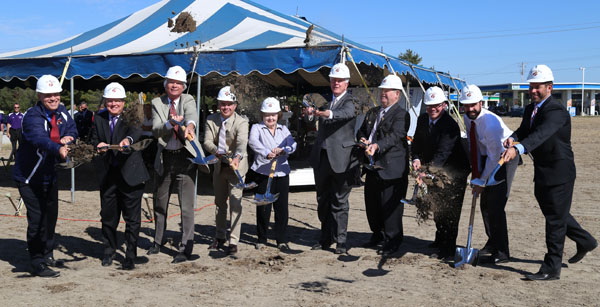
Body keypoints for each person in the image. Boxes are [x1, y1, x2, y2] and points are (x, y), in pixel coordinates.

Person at [502, 65, 597, 280]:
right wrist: (513, 138)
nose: (533, 91)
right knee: (555, 213)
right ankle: (585, 241)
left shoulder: (556, 111)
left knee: (554, 219)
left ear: (550, 87)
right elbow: (525, 131)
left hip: (560, 172)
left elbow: (542, 134)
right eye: (531, 87)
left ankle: (551, 267)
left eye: (538, 87)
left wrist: (518, 148)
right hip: (543, 170)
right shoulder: (530, 109)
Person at [13, 75, 77, 277]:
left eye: (56, 94)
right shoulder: (31, 117)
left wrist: (70, 137)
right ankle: (36, 260)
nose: (53, 98)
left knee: (50, 218)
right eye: (48, 95)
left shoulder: (62, 112)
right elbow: (39, 139)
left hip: (50, 175)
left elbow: (72, 128)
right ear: (40, 96)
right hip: (29, 177)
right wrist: (58, 147)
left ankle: (48, 253)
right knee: (37, 219)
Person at [147, 65, 209, 263]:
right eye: (171, 82)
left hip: (185, 157)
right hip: (165, 157)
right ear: (166, 84)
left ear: (183, 86)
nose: (174, 85)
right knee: (160, 202)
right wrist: (170, 124)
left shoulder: (188, 99)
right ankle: (158, 241)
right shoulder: (157, 102)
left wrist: (188, 126)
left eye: (178, 83)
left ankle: (186, 246)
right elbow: (156, 129)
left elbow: (192, 117)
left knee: (187, 206)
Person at [90, 82, 150, 270]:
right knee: (108, 217)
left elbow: (136, 132)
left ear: (123, 102)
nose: (113, 104)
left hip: (130, 174)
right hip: (108, 175)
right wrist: (97, 145)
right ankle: (109, 250)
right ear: (105, 101)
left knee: (132, 219)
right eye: (110, 100)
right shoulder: (98, 118)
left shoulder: (132, 116)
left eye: (117, 100)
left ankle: (131, 255)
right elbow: (92, 139)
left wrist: (128, 140)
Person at [460, 84, 518, 264]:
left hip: (504, 158)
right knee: (485, 204)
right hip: (487, 156)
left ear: (481, 103)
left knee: (495, 205)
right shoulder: (467, 117)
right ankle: (493, 242)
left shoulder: (491, 125)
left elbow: (495, 159)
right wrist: (476, 173)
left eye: (473, 105)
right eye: (466, 105)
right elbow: (474, 145)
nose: (470, 109)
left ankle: (502, 252)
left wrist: (482, 181)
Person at [306, 63, 360, 254]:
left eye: (339, 80)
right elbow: (314, 120)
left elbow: (345, 114)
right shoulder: (326, 104)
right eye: (333, 80)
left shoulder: (350, 103)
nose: (336, 83)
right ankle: (325, 238)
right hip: (322, 159)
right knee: (323, 200)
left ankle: (341, 241)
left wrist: (326, 113)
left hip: (342, 160)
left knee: (340, 201)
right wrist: (311, 115)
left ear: (346, 83)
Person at [411, 86, 470, 260]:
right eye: (429, 106)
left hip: (454, 172)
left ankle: (448, 249)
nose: (433, 109)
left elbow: (443, 154)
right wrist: (416, 158)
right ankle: (439, 239)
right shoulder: (422, 119)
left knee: (450, 210)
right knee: (437, 206)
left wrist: (426, 173)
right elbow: (417, 143)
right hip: (434, 170)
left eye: (437, 105)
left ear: (444, 105)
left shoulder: (450, 125)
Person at [356, 75, 410, 256]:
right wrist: (362, 139)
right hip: (372, 167)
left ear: (397, 95)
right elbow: (362, 131)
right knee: (372, 205)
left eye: (387, 91)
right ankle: (377, 234)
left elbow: (396, 136)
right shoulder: (373, 112)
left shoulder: (402, 115)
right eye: (382, 91)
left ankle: (393, 240)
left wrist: (377, 145)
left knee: (391, 206)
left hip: (392, 168)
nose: (383, 94)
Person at [203, 86, 249, 256]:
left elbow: (242, 143)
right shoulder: (210, 120)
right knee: (219, 203)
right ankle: (219, 235)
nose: (226, 107)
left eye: (230, 104)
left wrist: (236, 158)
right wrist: (217, 151)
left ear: (235, 105)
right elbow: (207, 141)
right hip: (219, 166)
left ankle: (234, 240)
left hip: (236, 168)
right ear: (218, 104)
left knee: (235, 204)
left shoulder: (242, 122)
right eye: (223, 104)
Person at [248, 97, 297, 251]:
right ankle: (262, 238)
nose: (270, 118)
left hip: (281, 173)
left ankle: (281, 239)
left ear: (278, 115)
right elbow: (253, 142)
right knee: (263, 207)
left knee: (281, 208)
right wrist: (266, 152)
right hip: (262, 172)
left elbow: (293, 144)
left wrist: (285, 150)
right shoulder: (257, 127)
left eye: (273, 114)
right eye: (267, 115)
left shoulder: (284, 129)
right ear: (262, 115)